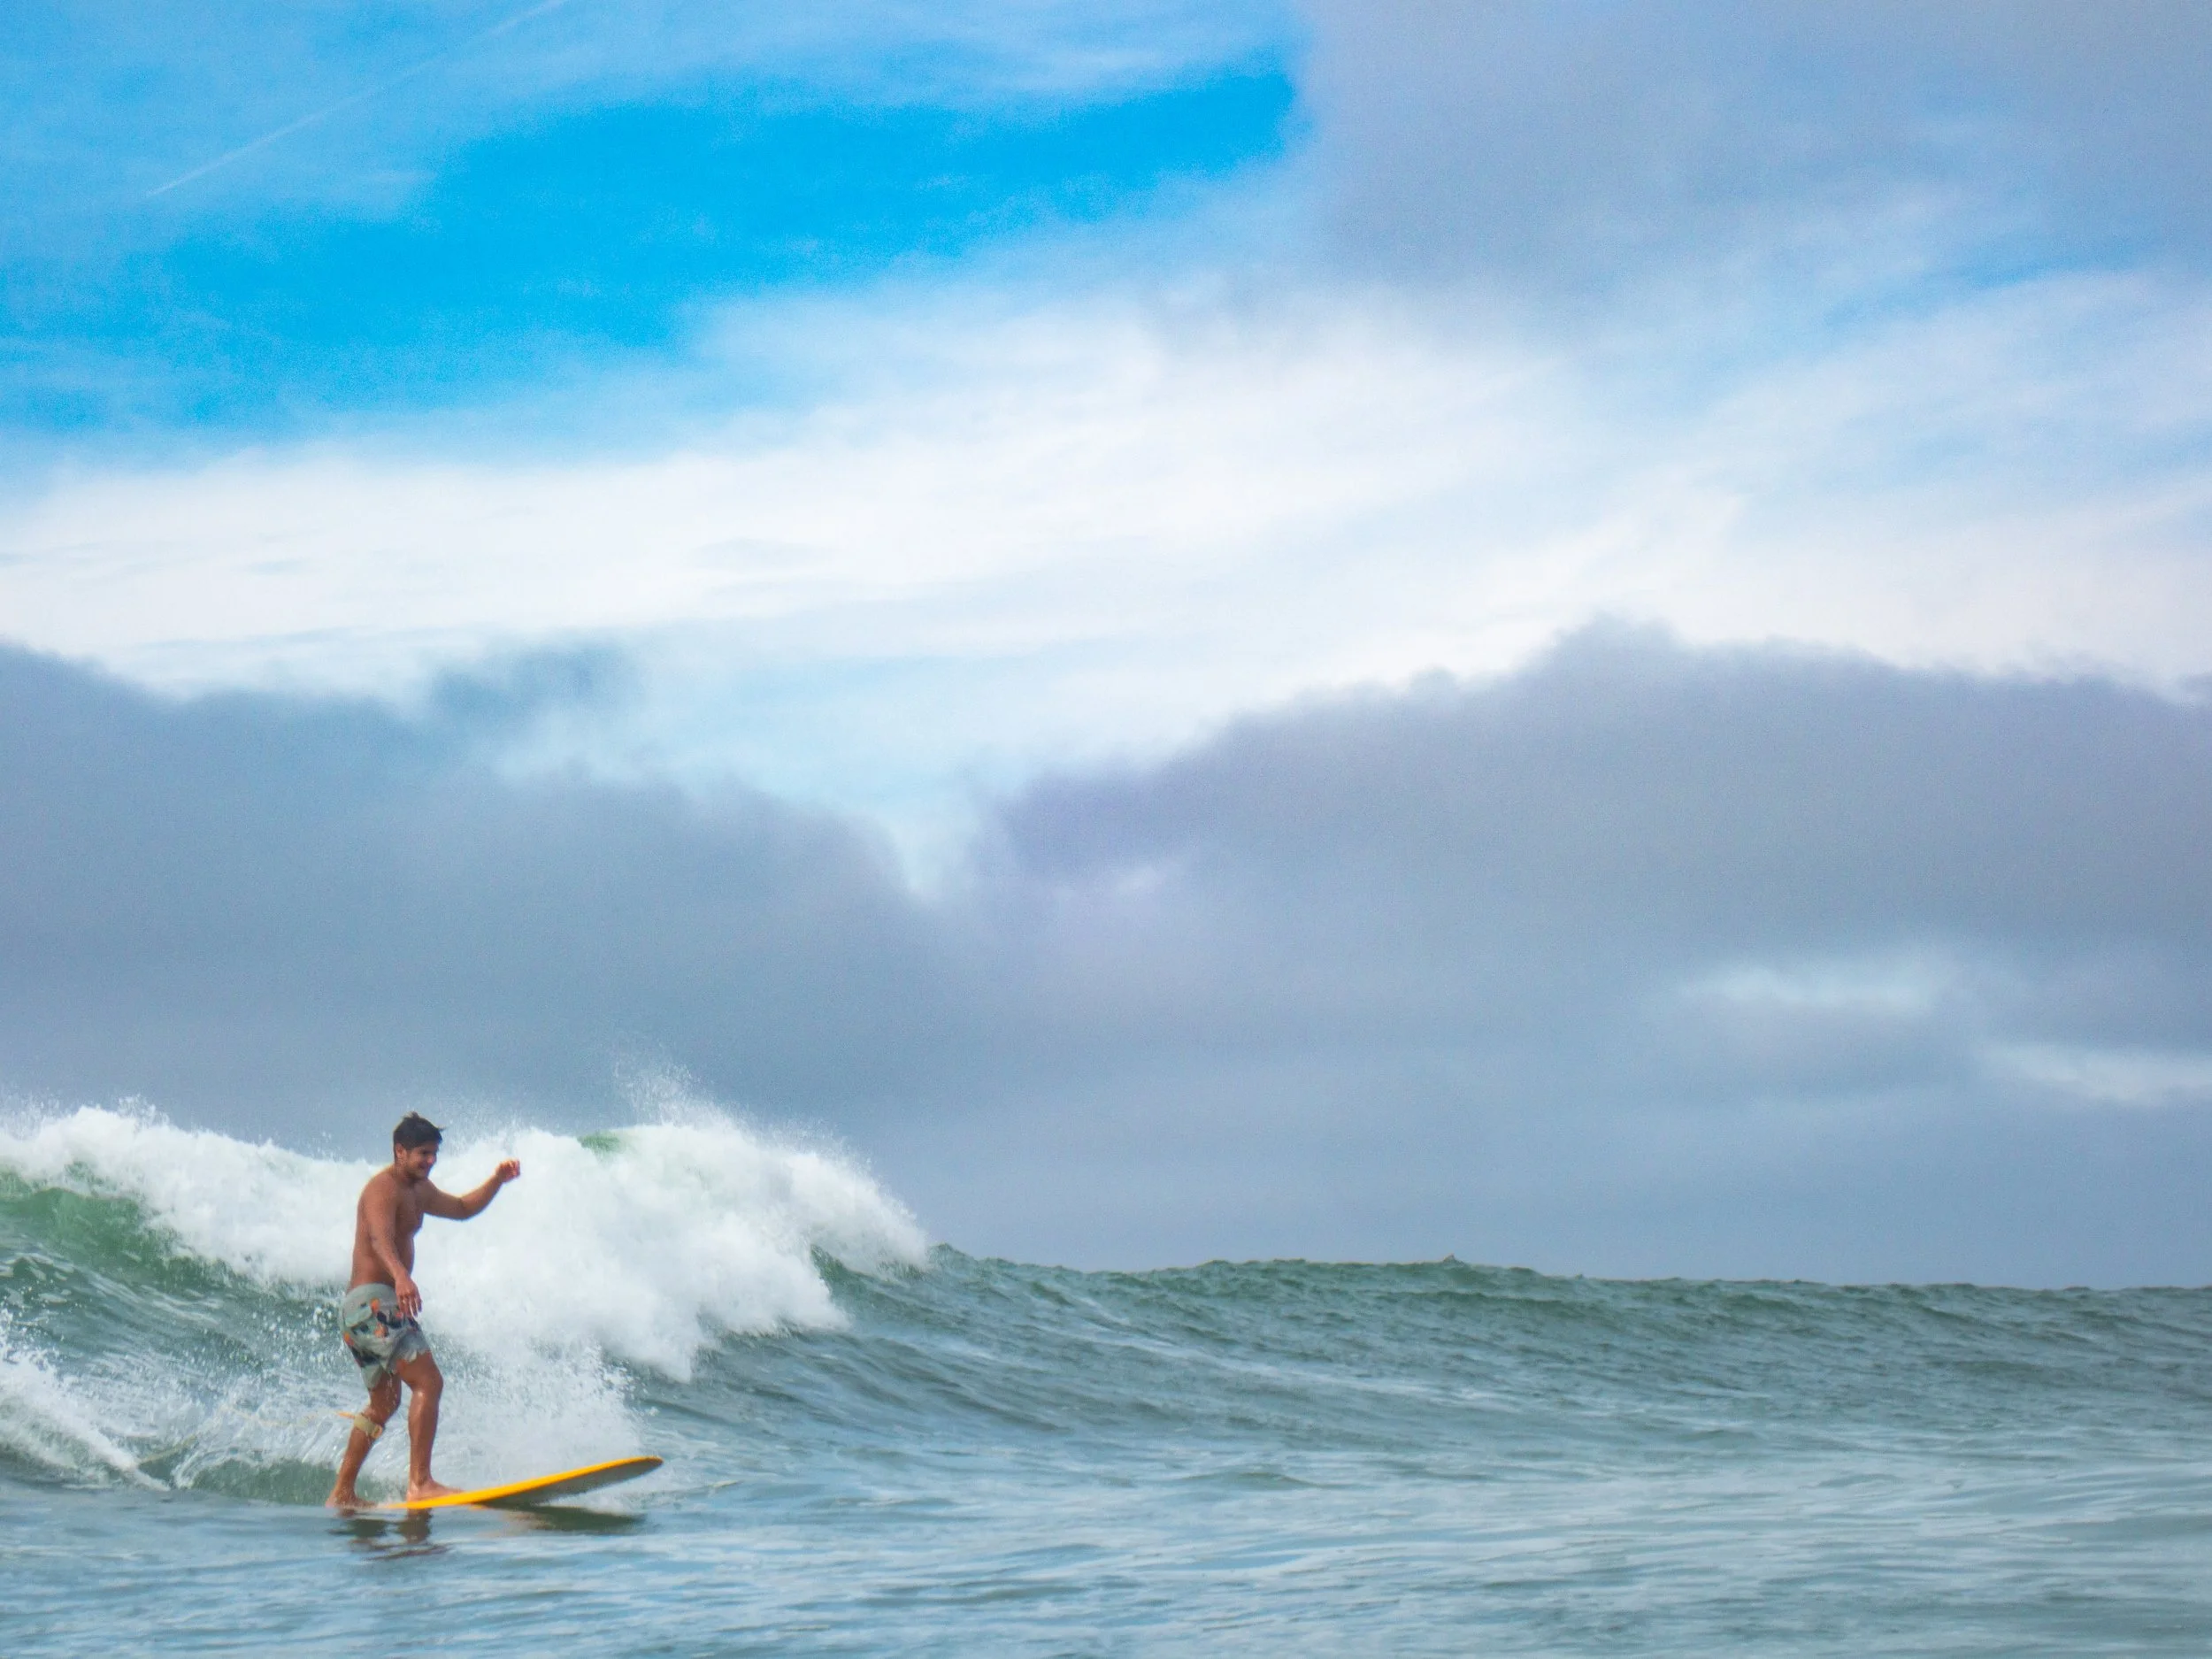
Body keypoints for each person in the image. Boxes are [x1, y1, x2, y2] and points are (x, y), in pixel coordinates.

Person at [326, 1113, 521, 1508]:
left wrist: (497, 1182)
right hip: (374, 1302)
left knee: (384, 1404)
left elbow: (463, 1207)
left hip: (364, 1309)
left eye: (433, 1154)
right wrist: (400, 1277)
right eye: (422, 1154)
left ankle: (342, 1493)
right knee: (429, 1382)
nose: (429, 1161)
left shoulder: (419, 1189)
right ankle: (421, 1483)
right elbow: (380, 1239)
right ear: (400, 1151)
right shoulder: (381, 1190)